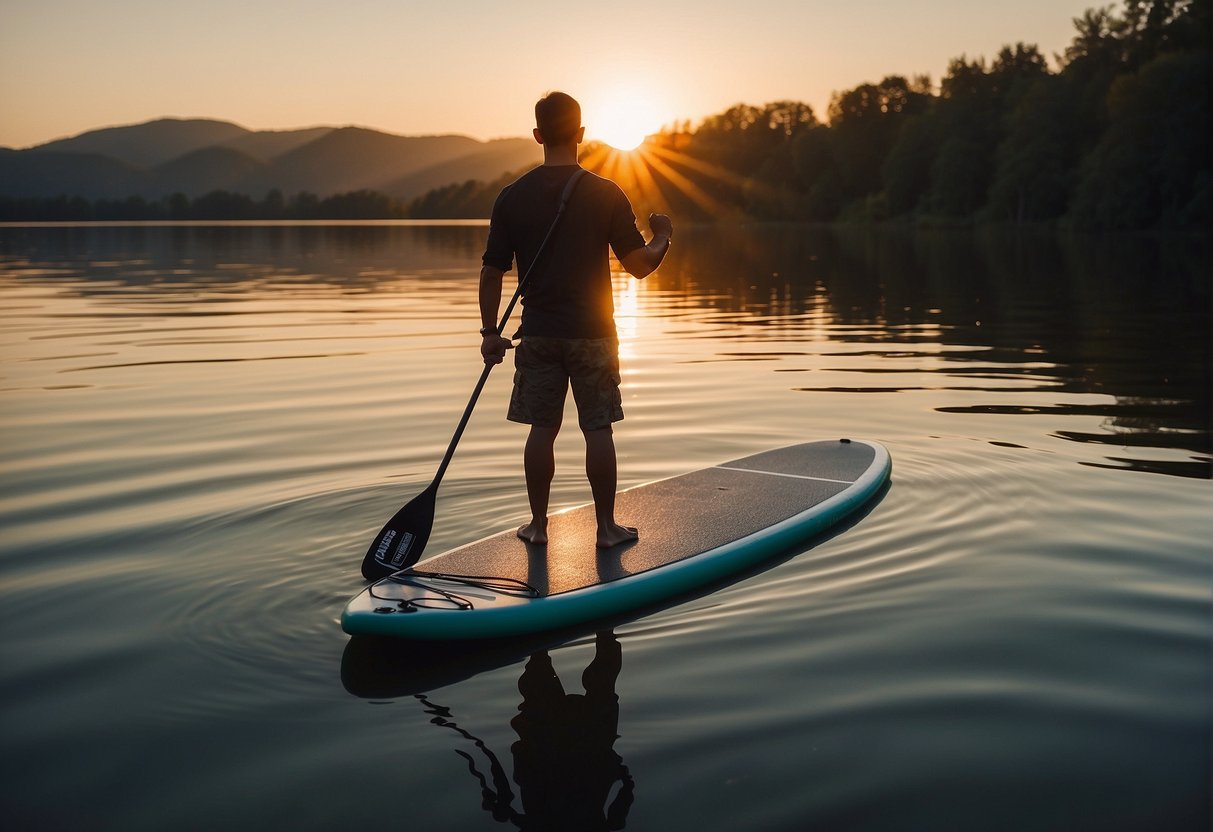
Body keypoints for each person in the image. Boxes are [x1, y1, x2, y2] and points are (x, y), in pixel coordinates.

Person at [479, 91, 672, 549]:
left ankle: (539, 527)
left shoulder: (511, 197)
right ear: (581, 134)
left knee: (541, 431)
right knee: (597, 429)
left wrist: (490, 333)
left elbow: (491, 271)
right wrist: (663, 236)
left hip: (539, 334)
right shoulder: (606, 194)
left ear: (538, 135)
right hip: (594, 335)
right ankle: (606, 531)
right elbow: (640, 265)